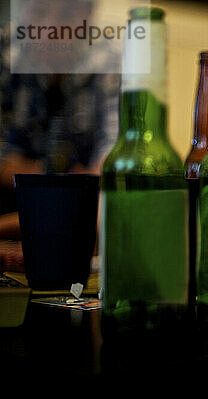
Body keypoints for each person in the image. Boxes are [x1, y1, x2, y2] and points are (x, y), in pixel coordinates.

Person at [0, 0, 120, 270]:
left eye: (67, 14)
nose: (52, 28)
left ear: (88, 15)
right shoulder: (4, 52)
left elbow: (113, 157)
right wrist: (56, 183)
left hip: (81, 215)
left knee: (116, 207)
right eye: (40, 12)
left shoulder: (112, 60)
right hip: (20, 204)